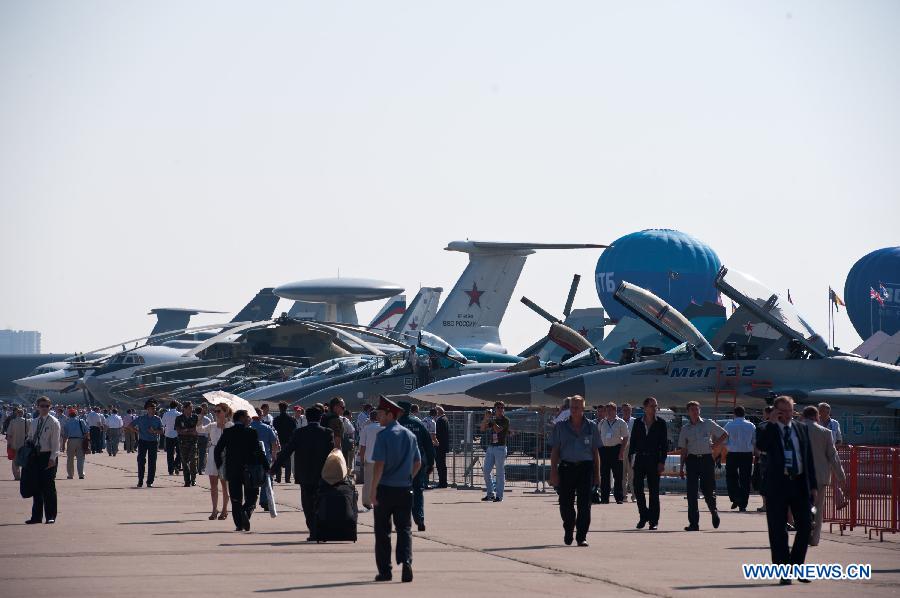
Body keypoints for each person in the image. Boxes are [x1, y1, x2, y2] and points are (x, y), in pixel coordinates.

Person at [756, 396, 817, 585]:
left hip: (798, 483)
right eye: (783, 411)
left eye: (790, 410)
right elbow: (761, 446)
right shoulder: (766, 428)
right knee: (778, 530)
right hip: (777, 485)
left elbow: (807, 457)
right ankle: (784, 571)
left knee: (806, 526)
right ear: (776, 411)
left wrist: (812, 485)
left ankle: (797, 565)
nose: (788, 414)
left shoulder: (801, 428)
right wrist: (773, 423)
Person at [370, 395, 420, 583]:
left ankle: (385, 571)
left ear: (390, 415)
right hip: (404, 490)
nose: (378, 417)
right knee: (404, 529)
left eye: (381, 414)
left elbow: (379, 465)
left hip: (385, 489)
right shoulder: (410, 435)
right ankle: (406, 561)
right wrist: (408, 478)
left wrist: (372, 490)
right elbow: (418, 463)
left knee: (383, 532)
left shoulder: (383, 436)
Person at [270, 405, 334, 540]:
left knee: (307, 504)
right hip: (322, 474)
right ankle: (320, 530)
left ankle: (313, 531)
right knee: (321, 503)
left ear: (307, 418)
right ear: (320, 417)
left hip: (304, 475)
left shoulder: (299, 433)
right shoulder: (327, 433)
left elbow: (287, 451)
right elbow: (333, 454)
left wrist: (274, 468)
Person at [549, 395, 601, 547]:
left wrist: (597, 475)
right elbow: (555, 450)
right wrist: (553, 472)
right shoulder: (561, 427)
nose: (574, 410)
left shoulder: (591, 426)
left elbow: (595, 452)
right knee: (565, 504)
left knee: (585, 504)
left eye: (577, 407)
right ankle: (568, 529)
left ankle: (581, 536)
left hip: (585, 468)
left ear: (583, 409)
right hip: (566, 468)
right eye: (572, 407)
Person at [678, 401, 728, 531]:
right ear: (688, 412)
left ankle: (713, 511)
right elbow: (683, 449)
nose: (695, 411)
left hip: (706, 460)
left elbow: (724, 434)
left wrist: (715, 444)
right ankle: (694, 523)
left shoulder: (708, 423)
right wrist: (681, 467)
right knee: (691, 493)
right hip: (692, 460)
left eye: (697, 409)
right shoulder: (685, 428)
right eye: (692, 409)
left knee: (708, 490)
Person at [214, 410, 265, 532]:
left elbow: (218, 450)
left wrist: (220, 465)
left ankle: (239, 524)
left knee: (236, 498)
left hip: (233, 470)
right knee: (252, 496)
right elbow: (258, 451)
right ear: (242, 418)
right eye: (247, 417)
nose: (249, 419)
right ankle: (246, 512)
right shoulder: (252, 432)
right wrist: (266, 466)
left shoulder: (228, 432)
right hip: (250, 469)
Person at [804, 405, 846, 547]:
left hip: (800, 477)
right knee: (818, 508)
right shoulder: (826, 433)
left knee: (801, 505)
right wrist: (841, 476)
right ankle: (814, 538)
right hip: (820, 477)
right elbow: (833, 456)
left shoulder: (796, 430)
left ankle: (803, 530)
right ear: (817, 417)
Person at [628, 397, 668, 530]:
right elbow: (632, 442)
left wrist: (662, 461)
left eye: (656, 406)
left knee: (654, 492)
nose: (654, 408)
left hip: (654, 460)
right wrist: (631, 460)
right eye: (652, 406)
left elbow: (664, 445)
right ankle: (643, 515)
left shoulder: (661, 423)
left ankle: (653, 521)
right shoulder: (638, 423)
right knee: (637, 489)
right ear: (645, 408)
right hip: (639, 459)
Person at [398, 401, 435, 530]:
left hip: (400, 465)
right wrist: (431, 463)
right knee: (418, 491)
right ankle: (420, 519)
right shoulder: (419, 424)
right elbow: (429, 446)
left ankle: (403, 521)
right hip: (417, 463)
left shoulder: (396, 425)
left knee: (400, 492)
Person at [24, 397, 61, 524]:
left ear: (50, 407)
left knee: (49, 487)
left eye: (47, 406)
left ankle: (50, 516)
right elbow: (29, 437)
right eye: (42, 406)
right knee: (36, 486)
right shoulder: (34, 422)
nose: (44, 408)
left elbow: (56, 443)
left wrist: (52, 458)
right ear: (37, 407)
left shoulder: (54, 422)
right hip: (35, 456)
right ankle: (36, 517)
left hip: (48, 456)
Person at [200, 403, 232, 520]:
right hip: (213, 452)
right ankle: (214, 509)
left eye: (219, 411)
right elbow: (199, 429)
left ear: (225, 412)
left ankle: (224, 509)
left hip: (224, 454)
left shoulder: (230, 426)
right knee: (213, 484)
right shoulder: (212, 425)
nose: (216, 413)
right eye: (215, 411)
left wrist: (224, 428)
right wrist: (200, 416)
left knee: (224, 485)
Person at [724, 405, 755, 512]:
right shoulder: (751, 425)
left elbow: (724, 440)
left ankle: (735, 496)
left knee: (731, 477)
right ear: (744, 413)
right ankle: (743, 504)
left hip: (732, 453)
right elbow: (754, 441)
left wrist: (728, 447)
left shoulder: (729, 425)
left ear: (734, 414)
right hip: (747, 454)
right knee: (745, 479)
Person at [597, 402, 629, 504]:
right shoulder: (602, 422)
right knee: (604, 475)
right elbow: (598, 436)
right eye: (607, 410)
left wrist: (622, 451)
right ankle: (604, 498)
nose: (609, 412)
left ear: (615, 411)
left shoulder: (621, 422)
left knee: (618, 475)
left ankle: (619, 497)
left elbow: (625, 437)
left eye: (611, 410)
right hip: (604, 450)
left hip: (616, 450)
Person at [127, 400, 163, 488]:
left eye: (155, 408)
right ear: (147, 409)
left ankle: (150, 481)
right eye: (152, 408)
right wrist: (137, 431)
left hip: (153, 442)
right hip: (143, 441)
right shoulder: (141, 418)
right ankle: (140, 480)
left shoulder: (157, 419)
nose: (154, 410)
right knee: (141, 461)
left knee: (152, 462)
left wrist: (154, 431)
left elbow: (162, 431)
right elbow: (130, 425)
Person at [479, 401, 509, 502]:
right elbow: (482, 429)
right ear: (495, 409)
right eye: (498, 408)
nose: (501, 409)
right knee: (486, 471)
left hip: (500, 448)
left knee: (500, 472)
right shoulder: (493, 419)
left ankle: (499, 496)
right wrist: (486, 418)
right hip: (491, 447)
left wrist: (491, 420)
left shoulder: (505, 420)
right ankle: (490, 493)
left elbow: (498, 430)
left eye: (502, 408)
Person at [251, 409, 280, 511]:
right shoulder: (267, 428)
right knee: (267, 480)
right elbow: (274, 443)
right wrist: (274, 455)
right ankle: (265, 501)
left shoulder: (248, 428)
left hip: (251, 458)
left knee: (251, 480)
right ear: (261, 416)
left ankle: (251, 501)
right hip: (265, 457)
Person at [359, 409, 383, 510]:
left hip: (369, 458)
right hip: (381, 459)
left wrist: (361, 459)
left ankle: (366, 501)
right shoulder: (383, 428)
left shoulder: (366, 428)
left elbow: (362, 446)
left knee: (368, 481)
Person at [754, 406, 774, 513]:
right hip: (778, 458)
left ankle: (766, 505)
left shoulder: (762, 426)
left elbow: (758, 444)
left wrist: (758, 456)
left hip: (765, 457)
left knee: (764, 482)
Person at [175, 402, 200, 487]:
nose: (191, 409)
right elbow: (178, 430)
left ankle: (193, 479)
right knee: (185, 462)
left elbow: (196, 429)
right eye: (189, 408)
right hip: (183, 443)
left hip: (193, 442)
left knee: (193, 461)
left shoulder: (195, 417)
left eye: (192, 408)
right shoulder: (179, 418)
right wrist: (189, 431)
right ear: (184, 409)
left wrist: (186, 430)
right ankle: (187, 481)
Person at [271, 401, 297, 483]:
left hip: (278, 441)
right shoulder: (291, 420)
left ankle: (278, 478)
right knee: (288, 460)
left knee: (279, 459)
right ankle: (287, 478)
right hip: (288, 442)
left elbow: (273, 431)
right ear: (286, 408)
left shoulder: (276, 420)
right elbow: (294, 431)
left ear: (279, 409)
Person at [60, 408, 88, 479]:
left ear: (69, 414)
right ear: (76, 414)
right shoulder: (81, 421)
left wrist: (63, 445)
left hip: (71, 440)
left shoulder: (67, 422)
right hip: (80, 440)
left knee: (70, 458)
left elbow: (65, 435)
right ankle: (81, 474)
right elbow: (86, 432)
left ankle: (70, 475)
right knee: (80, 458)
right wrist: (87, 442)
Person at [161, 400, 182, 475]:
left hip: (168, 435)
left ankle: (170, 469)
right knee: (180, 452)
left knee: (169, 454)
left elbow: (162, 424)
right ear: (176, 406)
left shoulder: (166, 414)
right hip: (177, 435)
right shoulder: (179, 414)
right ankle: (176, 464)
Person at [5, 407, 27, 481]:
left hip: (14, 444)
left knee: (15, 462)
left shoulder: (13, 422)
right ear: (23, 413)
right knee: (24, 460)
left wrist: (9, 444)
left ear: (16, 413)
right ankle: (24, 476)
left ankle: (17, 476)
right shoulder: (27, 422)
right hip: (24, 445)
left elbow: (9, 435)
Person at [621, 403, 636, 502]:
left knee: (632, 474)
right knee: (622, 474)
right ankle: (624, 495)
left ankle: (634, 496)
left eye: (628, 410)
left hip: (632, 449)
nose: (626, 412)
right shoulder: (619, 421)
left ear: (631, 411)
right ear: (622, 411)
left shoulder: (635, 421)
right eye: (624, 410)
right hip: (621, 448)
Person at [434, 406, 450, 488]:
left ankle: (442, 483)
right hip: (442, 446)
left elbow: (438, 433)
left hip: (439, 446)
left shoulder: (440, 420)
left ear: (438, 412)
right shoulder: (444, 419)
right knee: (441, 465)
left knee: (440, 465)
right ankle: (443, 482)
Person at [196, 403, 212, 475]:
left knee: (195, 453)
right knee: (202, 454)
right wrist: (209, 438)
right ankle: (200, 469)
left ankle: (196, 468)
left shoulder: (194, 418)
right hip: (204, 438)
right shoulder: (208, 419)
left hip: (196, 437)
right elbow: (209, 431)